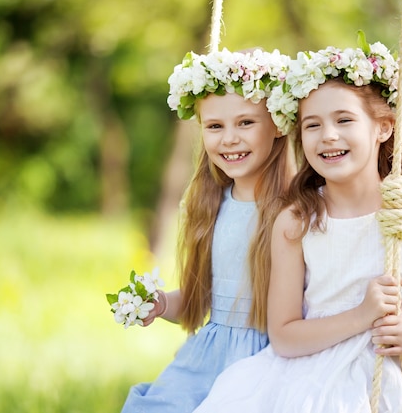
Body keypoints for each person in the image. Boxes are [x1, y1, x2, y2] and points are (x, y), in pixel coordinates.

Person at [193, 40, 402, 413]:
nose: (328, 135)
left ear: (384, 127)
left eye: (344, 120)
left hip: (377, 383)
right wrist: (361, 315)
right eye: (312, 125)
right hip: (300, 380)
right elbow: (285, 336)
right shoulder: (297, 220)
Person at [119, 47, 296, 413]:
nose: (229, 139)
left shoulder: (298, 209)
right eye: (215, 126)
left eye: (245, 123)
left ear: (278, 123)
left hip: (269, 359)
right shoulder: (210, 205)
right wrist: (162, 303)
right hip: (207, 359)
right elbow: (203, 301)